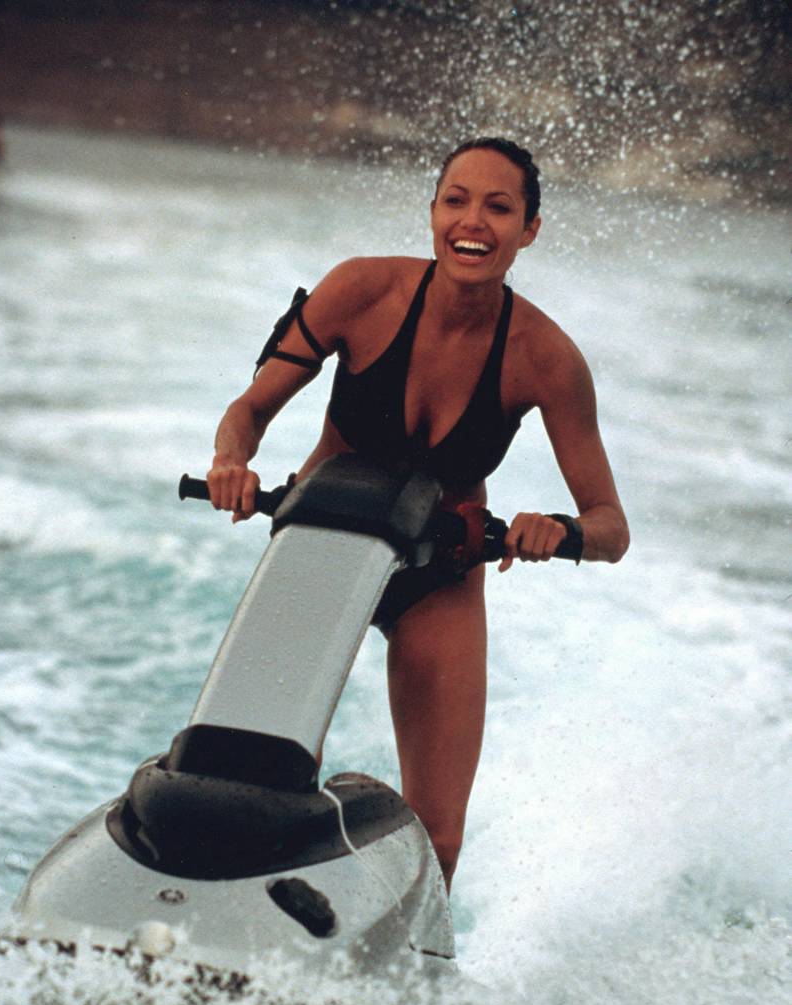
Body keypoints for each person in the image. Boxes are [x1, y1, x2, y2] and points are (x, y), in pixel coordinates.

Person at [206, 137, 629, 893]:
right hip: (320, 548)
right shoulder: (359, 292)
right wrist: (230, 463)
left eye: (499, 207)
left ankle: (402, 956)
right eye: (455, 200)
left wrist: (559, 531)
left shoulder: (544, 357)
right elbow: (249, 409)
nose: (473, 222)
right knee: (248, 781)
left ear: (529, 229)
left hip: (439, 576)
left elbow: (610, 529)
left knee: (439, 839)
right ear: (432, 211)